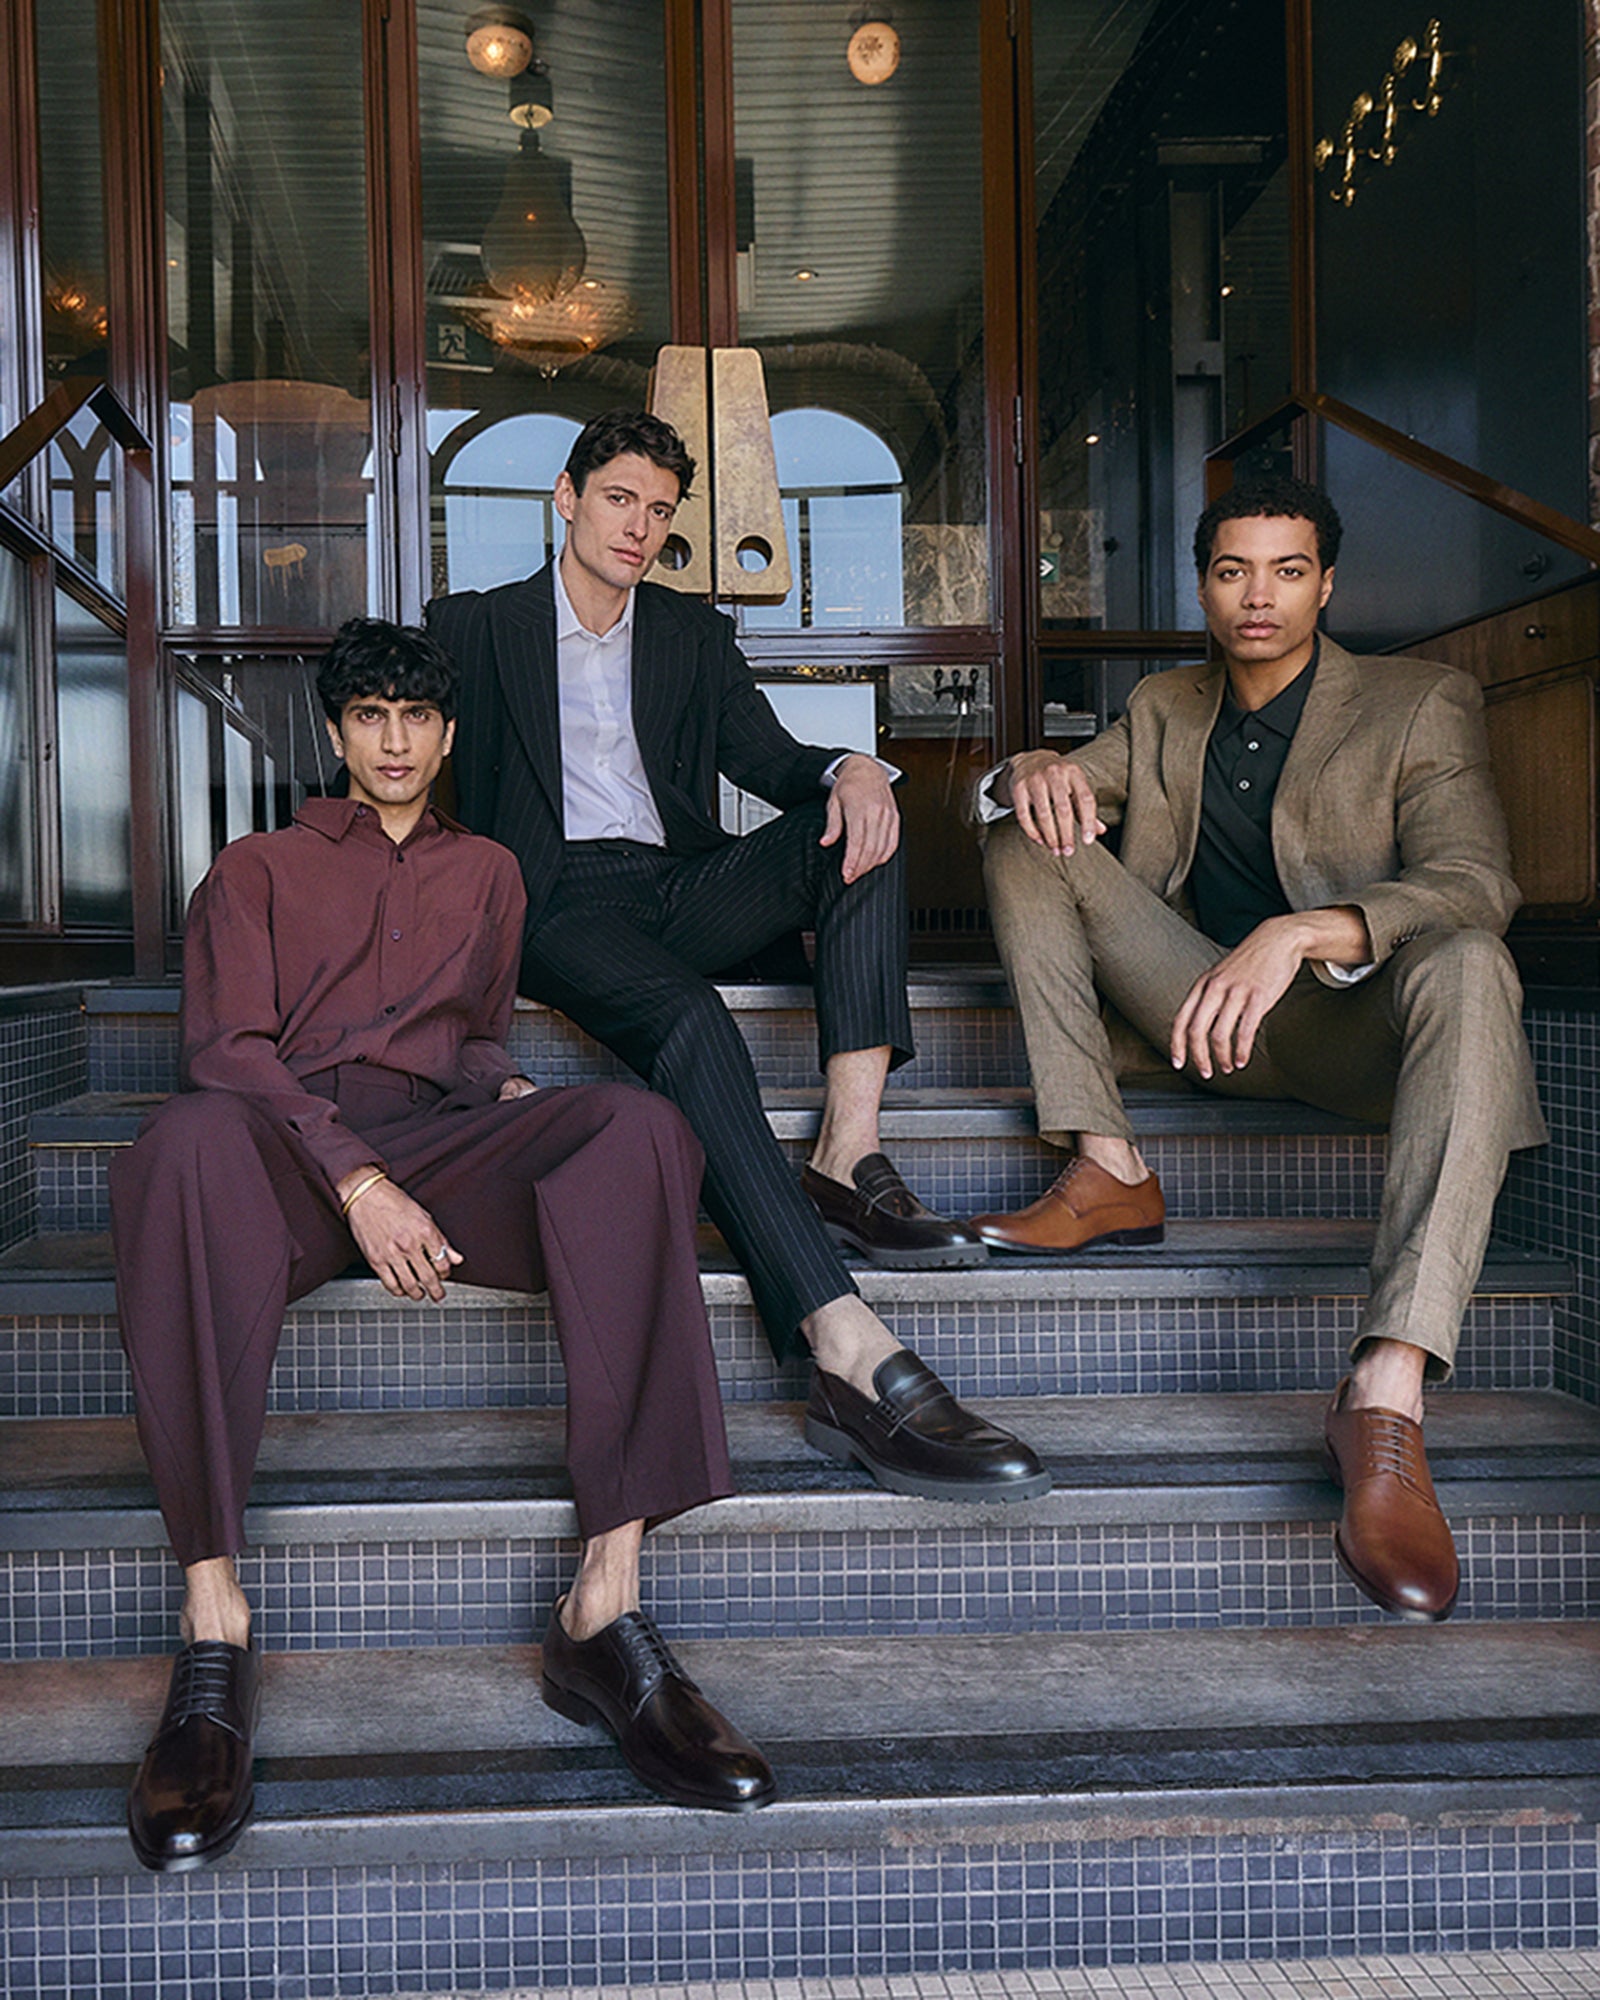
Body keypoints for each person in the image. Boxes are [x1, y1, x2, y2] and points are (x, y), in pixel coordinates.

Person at [110, 618, 776, 1874]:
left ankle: (604, 1605)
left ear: (448, 730)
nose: (395, 740)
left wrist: (503, 1094)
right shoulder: (254, 868)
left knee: (635, 1127)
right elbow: (227, 1052)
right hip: (284, 1158)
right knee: (180, 1146)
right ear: (336, 728)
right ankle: (214, 1625)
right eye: (370, 715)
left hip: (439, 1149)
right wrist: (355, 1179)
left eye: (416, 716)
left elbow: (470, 1038)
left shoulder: (490, 875)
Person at [427, 409, 1048, 1506]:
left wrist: (855, 767)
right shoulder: (472, 627)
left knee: (861, 825)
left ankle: (848, 1152)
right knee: (688, 1019)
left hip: (677, 881)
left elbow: (767, 758)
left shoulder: (691, 635)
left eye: (659, 511)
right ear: (566, 499)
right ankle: (842, 1339)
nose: (638, 526)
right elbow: (403, 767)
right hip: (555, 901)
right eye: (619, 499)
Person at [970, 475, 1546, 1623]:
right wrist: (1025, 768)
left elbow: (1475, 881)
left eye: (1287, 571)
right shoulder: (1164, 705)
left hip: (1354, 1028)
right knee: (1025, 839)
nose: (1258, 596)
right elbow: (1047, 796)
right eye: (1233, 570)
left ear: (1325, 584)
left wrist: (1301, 932)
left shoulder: (1418, 700)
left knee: (1472, 959)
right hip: (1196, 1014)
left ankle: (1385, 1391)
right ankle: (1107, 1163)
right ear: (1202, 586)